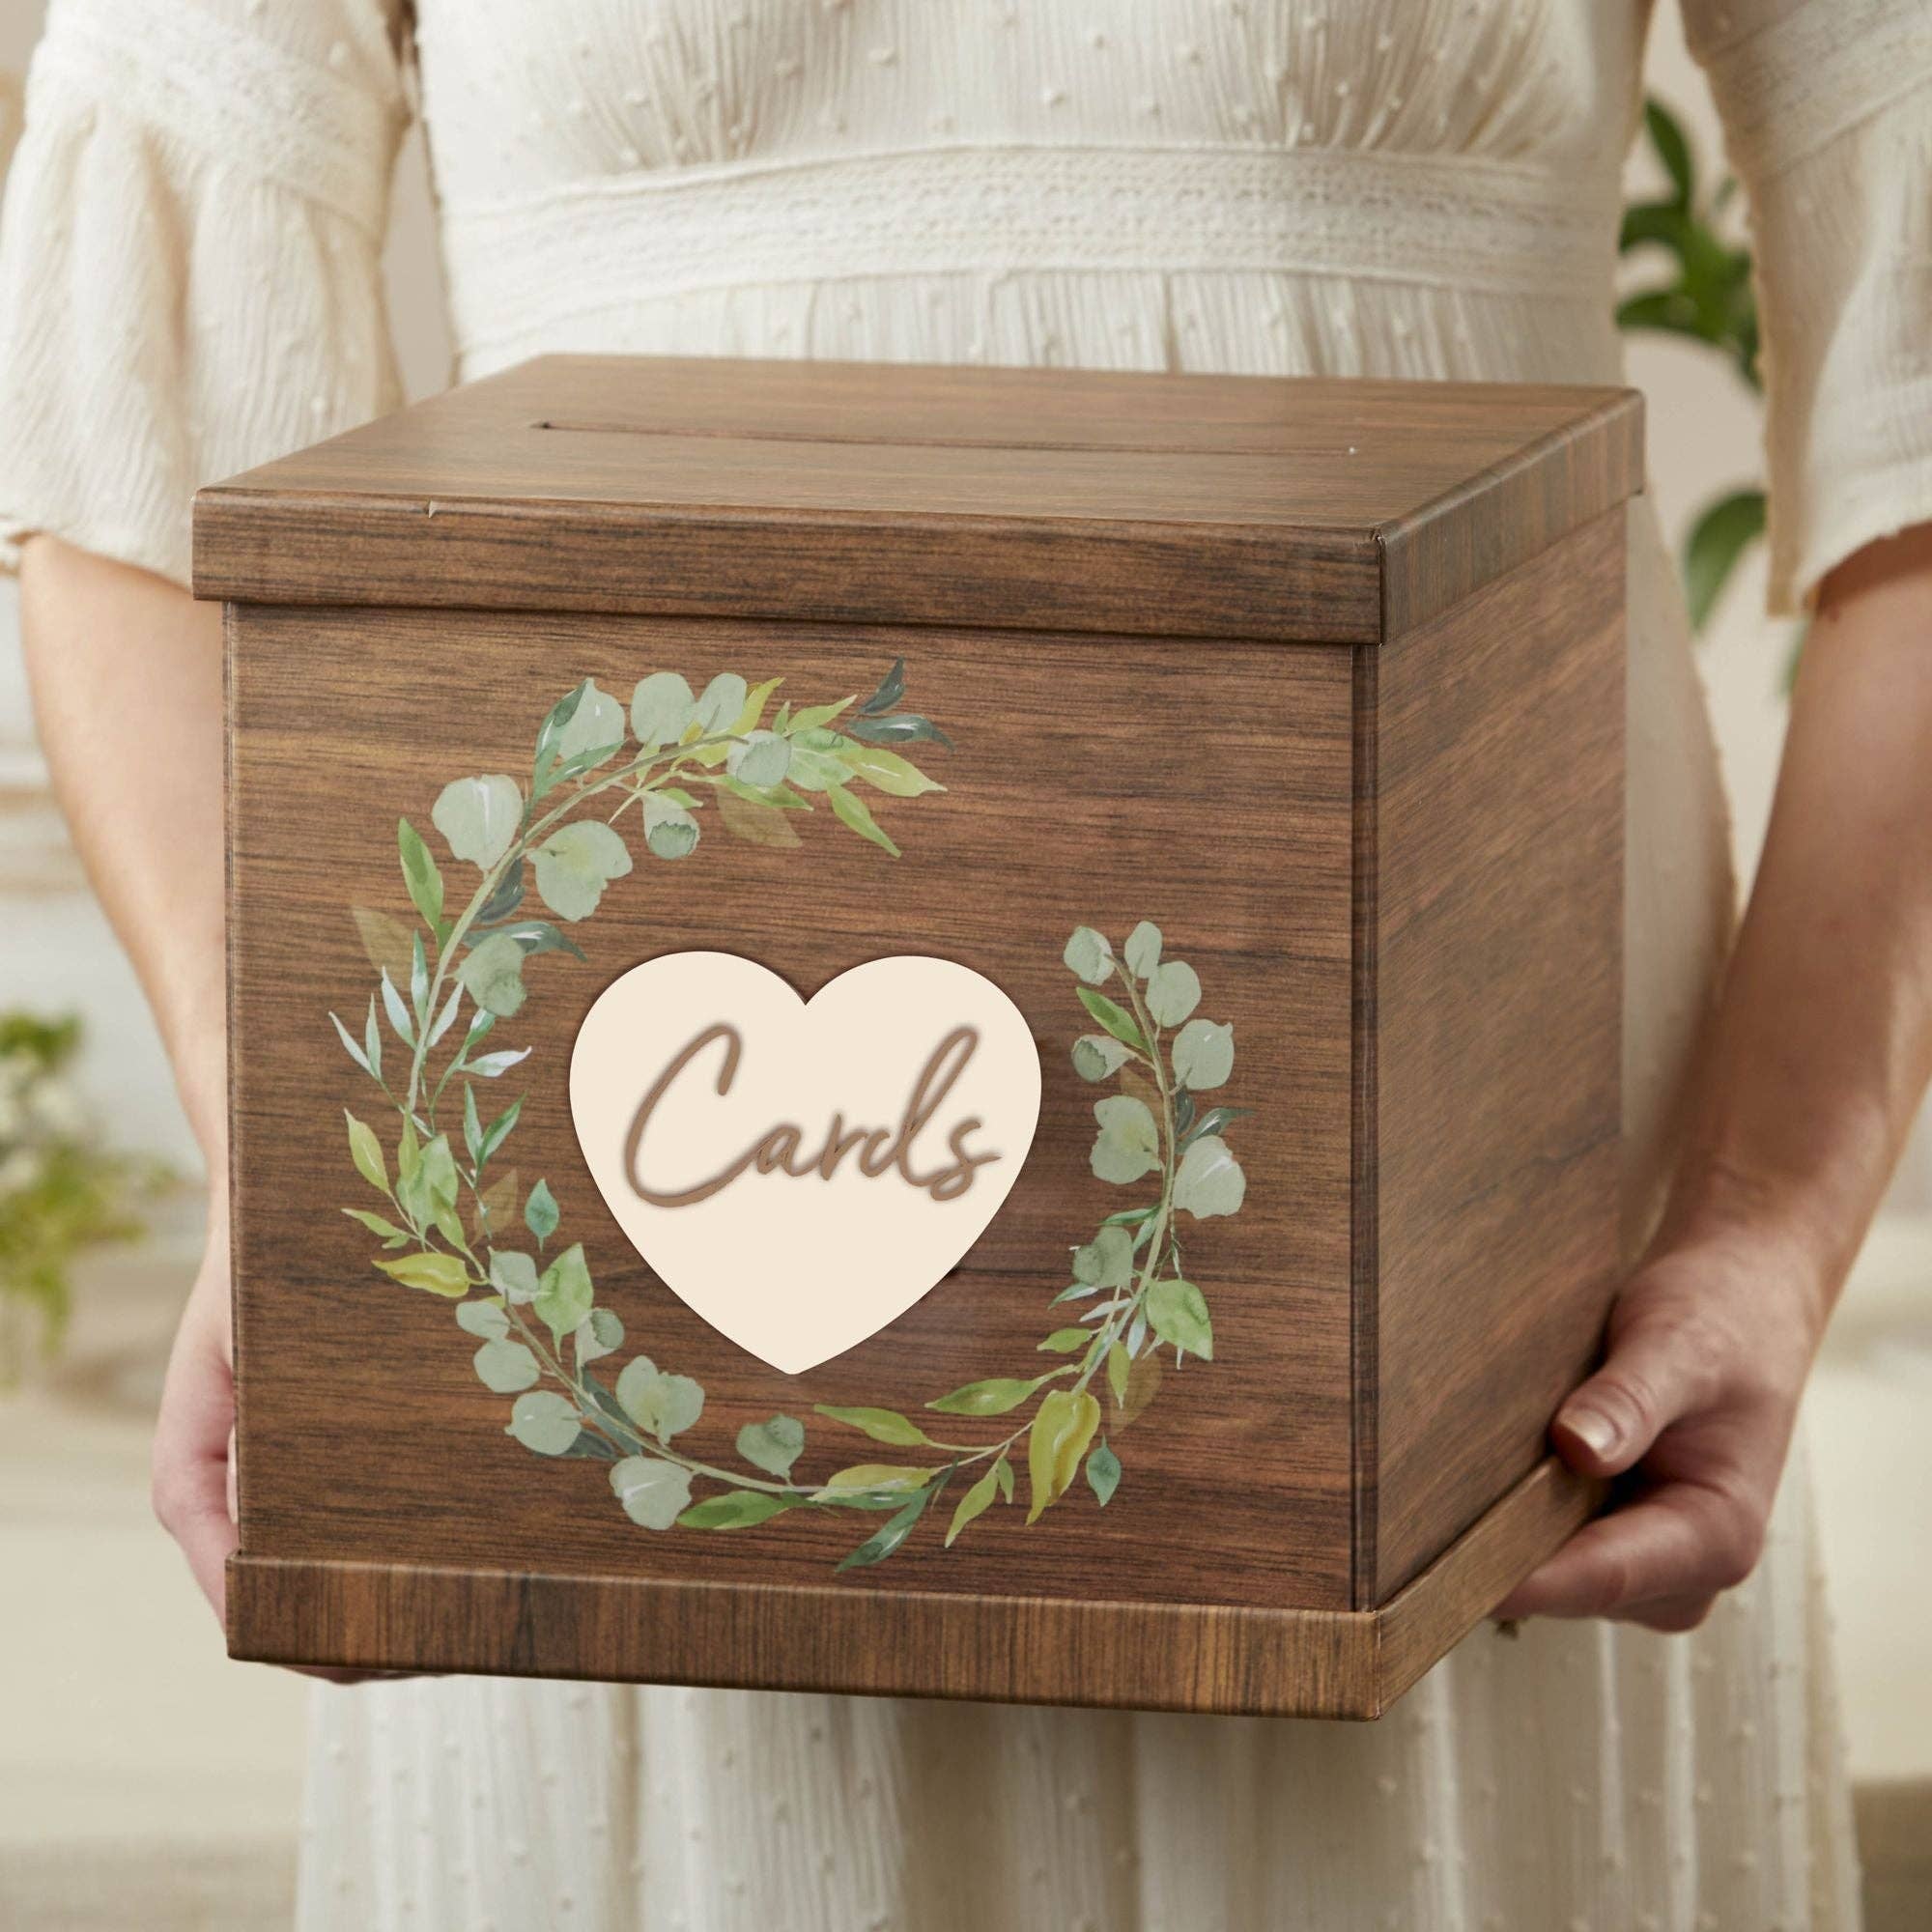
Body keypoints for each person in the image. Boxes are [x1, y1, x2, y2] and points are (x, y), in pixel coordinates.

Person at [4, 2, 1927, 1926]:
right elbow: (125, 426)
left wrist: (1766, 1216)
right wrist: (300, 1164)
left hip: (1494, 1214)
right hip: (596, 1199)